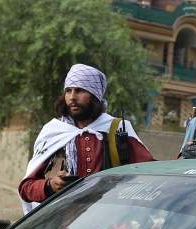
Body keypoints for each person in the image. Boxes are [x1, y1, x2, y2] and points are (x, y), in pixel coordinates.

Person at [19, 64, 154, 212]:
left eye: (80, 90)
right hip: (62, 222)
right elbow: (26, 188)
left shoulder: (118, 129)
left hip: (109, 219)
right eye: (68, 91)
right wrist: (50, 185)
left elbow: (151, 174)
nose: (72, 97)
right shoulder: (54, 132)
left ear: (95, 96)